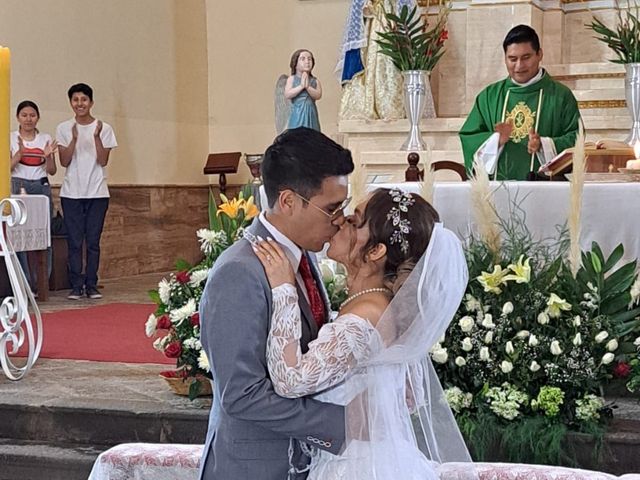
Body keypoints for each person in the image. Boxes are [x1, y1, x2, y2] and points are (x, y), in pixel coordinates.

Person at [252, 188, 472, 479]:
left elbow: (290, 380)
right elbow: (410, 394)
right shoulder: (375, 304)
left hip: (358, 466)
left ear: (376, 251)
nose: (340, 221)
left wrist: (283, 289)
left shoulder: (366, 315)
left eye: (354, 221)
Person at [198, 127, 354, 479]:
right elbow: (241, 395)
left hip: (296, 461)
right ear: (288, 202)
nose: (340, 220)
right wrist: (343, 422)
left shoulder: (301, 254)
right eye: (332, 208)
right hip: (254, 467)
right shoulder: (240, 272)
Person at [459, 25, 580, 180]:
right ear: (505, 58)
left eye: (526, 57)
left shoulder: (561, 96)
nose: (519, 66)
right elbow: (469, 137)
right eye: (512, 59)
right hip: (496, 192)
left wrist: (544, 145)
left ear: (539, 54)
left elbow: (576, 139)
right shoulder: (489, 96)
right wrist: (495, 140)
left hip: (546, 192)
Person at [56, 83, 117, 300]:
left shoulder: (104, 128)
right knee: (74, 240)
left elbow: (103, 160)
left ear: (91, 102)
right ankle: (76, 285)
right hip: (71, 192)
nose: (79, 104)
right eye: (75, 100)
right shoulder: (64, 128)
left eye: (84, 99)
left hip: (97, 192)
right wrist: (73, 139)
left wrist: (97, 137)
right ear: (71, 103)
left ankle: (91, 283)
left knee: (92, 241)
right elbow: (64, 161)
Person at [337, 0, 414, 121]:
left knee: (389, 62)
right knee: (373, 59)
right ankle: (369, 104)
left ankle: (391, 105)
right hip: (374, 21)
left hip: (390, 20)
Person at [10, 100, 58, 294]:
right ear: (17, 118)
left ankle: (41, 285)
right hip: (17, 184)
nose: (28, 119)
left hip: (40, 186)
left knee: (43, 234)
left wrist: (48, 156)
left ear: (38, 117)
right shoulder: (10, 137)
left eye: (32, 115)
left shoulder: (45, 138)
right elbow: (6, 168)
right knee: (18, 236)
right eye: (24, 115)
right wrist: (19, 154)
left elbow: (52, 171)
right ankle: (24, 284)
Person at [286, 49, 322, 131]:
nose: (307, 61)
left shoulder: (315, 81)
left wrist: (308, 87)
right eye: (303, 59)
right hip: (297, 112)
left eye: (309, 59)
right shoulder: (292, 79)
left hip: (311, 112)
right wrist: (301, 86)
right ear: (295, 63)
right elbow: (288, 94)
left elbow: (318, 95)